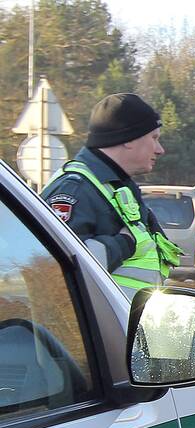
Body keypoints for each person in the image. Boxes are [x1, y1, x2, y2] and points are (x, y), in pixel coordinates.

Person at [43, 93, 181, 294]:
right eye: (154, 138)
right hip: (99, 324)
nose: (160, 149)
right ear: (128, 139)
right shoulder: (75, 189)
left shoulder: (116, 187)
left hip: (122, 322)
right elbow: (55, 269)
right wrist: (124, 243)